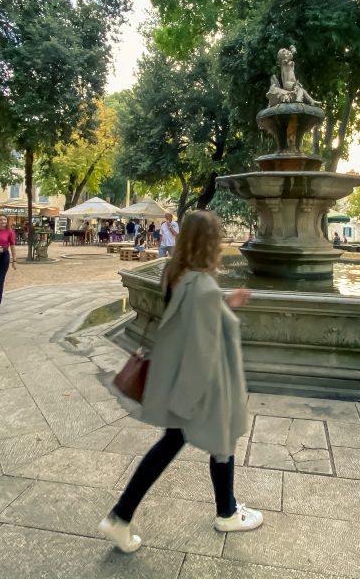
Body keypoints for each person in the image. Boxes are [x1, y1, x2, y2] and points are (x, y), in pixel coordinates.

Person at [99, 210, 261, 552]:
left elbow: (192, 318)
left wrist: (224, 303)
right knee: (219, 437)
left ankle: (125, 516)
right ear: (208, 243)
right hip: (201, 381)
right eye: (217, 238)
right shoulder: (201, 285)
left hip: (178, 375)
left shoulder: (176, 274)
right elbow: (203, 344)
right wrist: (192, 398)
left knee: (184, 443)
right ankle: (224, 513)